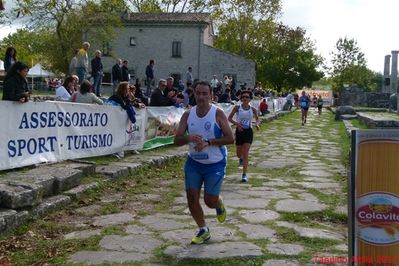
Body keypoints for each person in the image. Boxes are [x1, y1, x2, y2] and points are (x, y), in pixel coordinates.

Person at [174, 81, 234, 244]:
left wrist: (208, 141)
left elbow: (230, 138)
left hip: (215, 163)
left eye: (204, 94)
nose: (200, 97)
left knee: (209, 201)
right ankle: (203, 230)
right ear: (194, 94)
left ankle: (218, 202)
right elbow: (176, 140)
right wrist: (189, 138)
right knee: (191, 199)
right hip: (194, 163)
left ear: (211, 96)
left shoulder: (217, 113)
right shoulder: (188, 114)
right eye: (198, 93)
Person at [228, 90, 260, 182]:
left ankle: (244, 175)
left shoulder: (253, 109)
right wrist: (237, 124)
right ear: (241, 98)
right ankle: (240, 158)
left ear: (250, 99)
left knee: (245, 153)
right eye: (243, 97)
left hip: (248, 132)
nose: (245, 98)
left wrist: (257, 124)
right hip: (239, 132)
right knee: (239, 154)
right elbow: (229, 118)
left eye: (247, 97)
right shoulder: (237, 108)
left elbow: (257, 119)